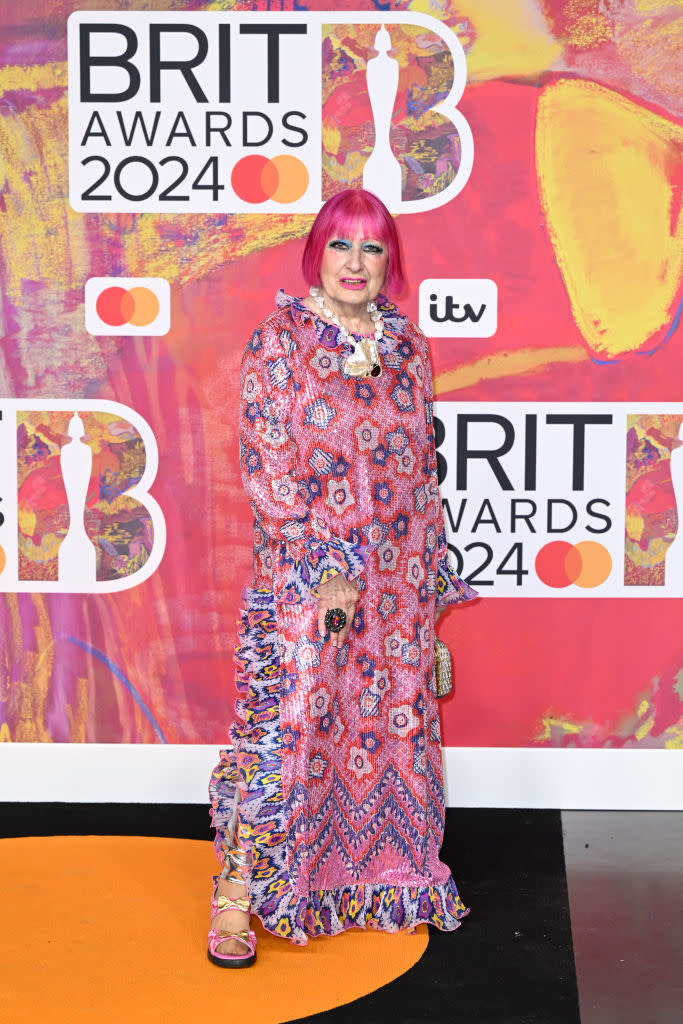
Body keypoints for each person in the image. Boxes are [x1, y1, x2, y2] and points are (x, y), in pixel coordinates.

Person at [207, 188, 477, 967]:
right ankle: (236, 897)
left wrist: (430, 587)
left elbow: (421, 473)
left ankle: (374, 881)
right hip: (313, 579)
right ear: (315, 254)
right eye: (340, 246)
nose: (355, 263)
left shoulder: (407, 346)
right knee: (287, 731)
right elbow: (268, 467)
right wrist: (326, 568)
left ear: (389, 260)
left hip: (398, 583)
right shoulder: (280, 341)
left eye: (371, 248)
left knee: (389, 729)